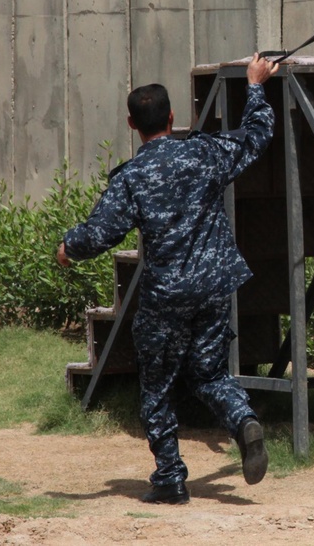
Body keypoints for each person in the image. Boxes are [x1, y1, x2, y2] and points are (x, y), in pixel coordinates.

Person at [57, 52, 280, 505]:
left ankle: (171, 478)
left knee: (157, 385)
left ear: (130, 124)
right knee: (211, 371)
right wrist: (256, 85)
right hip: (216, 283)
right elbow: (256, 137)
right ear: (172, 116)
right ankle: (241, 420)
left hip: (167, 294)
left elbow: (99, 232)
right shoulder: (204, 152)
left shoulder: (133, 176)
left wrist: (67, 248)